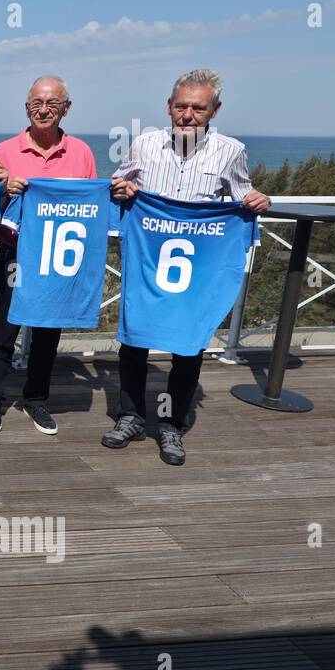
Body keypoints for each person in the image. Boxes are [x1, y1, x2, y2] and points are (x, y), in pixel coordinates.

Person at [104, 68, 271, 464]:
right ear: (168, 106)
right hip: (148, 262)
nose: (188, 115)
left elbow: (243, 196)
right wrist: (123, 188)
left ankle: (172, 426)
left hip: (196, 271)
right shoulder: (144, 145)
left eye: (198, 108)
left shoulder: (232, 151)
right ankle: (129, 416)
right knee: (133, 342)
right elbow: (116, 184)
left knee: (188, 346)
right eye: (181, 106)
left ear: (215, 109)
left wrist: (257, 200)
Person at [0, 76, 97, 435]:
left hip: (58, 259)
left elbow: (91, 208)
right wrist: (2, 190)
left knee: (48, 332)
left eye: (52, 104)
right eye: (36, 104)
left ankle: (36, 399)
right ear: (27, 108)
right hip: (15, 254)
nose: (44, 111)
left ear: (66, 108)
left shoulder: (81, 153)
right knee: (4, 327)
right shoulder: (3, 151)